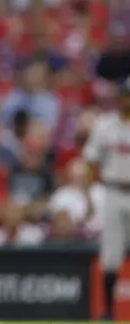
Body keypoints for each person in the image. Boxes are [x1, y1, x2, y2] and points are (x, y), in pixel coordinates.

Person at [84, 77, 130, 321]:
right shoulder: (106, 124)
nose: (127, 100)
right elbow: (91, 159)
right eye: (125, 94)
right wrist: (92, 193)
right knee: (111, 255)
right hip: (113, 190)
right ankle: (108, 312)